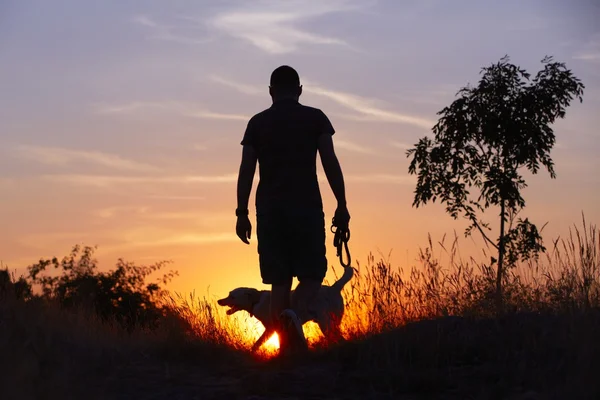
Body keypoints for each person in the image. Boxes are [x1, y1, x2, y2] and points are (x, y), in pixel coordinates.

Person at [235, 65, 350, 355]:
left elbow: (246, 170)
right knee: (311, 275)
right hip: (307, 209)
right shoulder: (315, 118)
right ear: (300, 90)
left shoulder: (257, 123)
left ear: (271, 92)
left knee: (278, 281)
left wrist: (241, 212)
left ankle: (286, 346)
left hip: (270, 213)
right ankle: (295, 322)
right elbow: (330, 162)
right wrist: (342, 204)